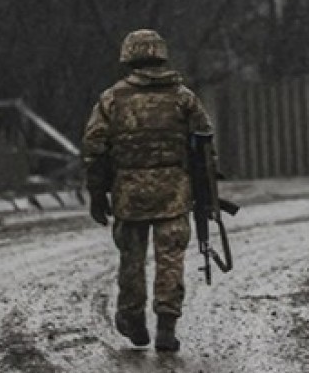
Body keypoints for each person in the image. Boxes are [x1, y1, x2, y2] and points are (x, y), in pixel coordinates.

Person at [82, 29, 213, 352]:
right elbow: (205, 146)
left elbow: (94, 147)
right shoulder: (183, 97)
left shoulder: (112, 98)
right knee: (170, 259)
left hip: (129, 192)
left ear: (129, 57)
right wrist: (205, 192)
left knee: (132, 258)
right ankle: (166, 325)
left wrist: (97, 193)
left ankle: (132, 318)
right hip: (174, 191)